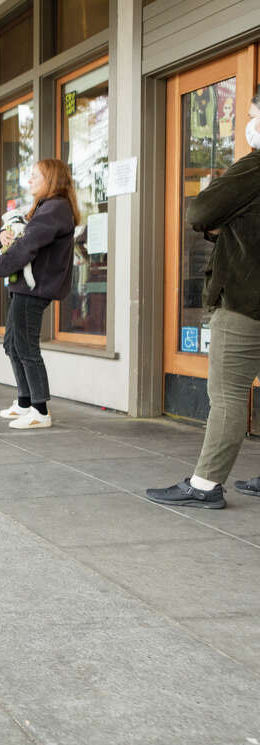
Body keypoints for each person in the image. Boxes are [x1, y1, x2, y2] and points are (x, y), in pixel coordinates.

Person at [147, 97, 260, 510]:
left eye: (251, 115)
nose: (247, 122)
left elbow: (200, 210)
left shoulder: (255, 166)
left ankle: (206, 484)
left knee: (228, 394)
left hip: (248, 300)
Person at [0, 159, 79, 430]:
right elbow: (19, 234)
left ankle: (40, 410)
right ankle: (25, 401)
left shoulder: (55, 209)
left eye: (34, 176)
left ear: (50, 180)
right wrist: (1, 238)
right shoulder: (45, 207)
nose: (29, 180)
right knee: (12, 344)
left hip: (34, 288)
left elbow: (28, 244)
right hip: (25, 287)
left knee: (26, 346)